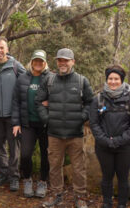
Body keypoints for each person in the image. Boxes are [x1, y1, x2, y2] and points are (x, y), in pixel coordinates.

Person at [35, 48, 93, 208]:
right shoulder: (49, 80)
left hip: (75, 134)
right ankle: (56, 195)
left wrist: (81, 118)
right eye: (60, 60)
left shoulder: (82, 81)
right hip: (54, 134)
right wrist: (47, 119)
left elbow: (90, 103)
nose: (62, 63)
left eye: (66, 60)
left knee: (79, 168)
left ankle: (80, 197)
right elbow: (38, 102)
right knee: (54, 167)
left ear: (72, 62)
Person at [89, 65, 130, 208]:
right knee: (106, 176)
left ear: (121, 80)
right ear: (106, 80)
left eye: (116, 79)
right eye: (110, 78)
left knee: (123, 177)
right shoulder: (98, 99)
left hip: (126, 147)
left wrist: (119, 140)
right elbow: (94, 123)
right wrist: (105, 140)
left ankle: (122, 204)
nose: (113, 81)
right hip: (104, 146)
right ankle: (107, 203)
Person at [0, 37, 26, 191]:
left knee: (14, 147)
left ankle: (14, 176)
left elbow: (28, 80)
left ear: (7, 49)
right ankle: (4, 174)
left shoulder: (15, 65)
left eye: (2, 48)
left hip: (13, 115)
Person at [12, 50, 50, 198]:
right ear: (32, 62)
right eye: (36, 61)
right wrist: (16, 123)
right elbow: (16, 102)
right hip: (27, 124)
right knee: (26, 154)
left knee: (46, 155)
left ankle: (42, 182)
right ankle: (27, 179)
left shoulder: (51, 78)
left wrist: (50, 103)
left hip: (46, 124)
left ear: (45, 63)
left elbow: (59, 96)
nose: (38, 63)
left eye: (41, 61)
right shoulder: (22, 79)